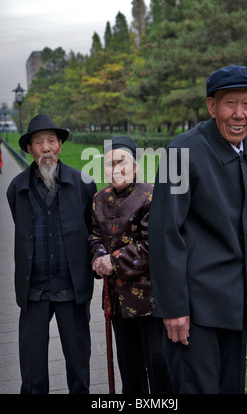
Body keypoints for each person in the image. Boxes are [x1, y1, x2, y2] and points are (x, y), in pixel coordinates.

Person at [148, 64, 247, 394]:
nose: (239, 114)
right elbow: (164, 232)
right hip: (195, 308)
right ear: (212, 106)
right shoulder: (183, 152)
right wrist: (174, 308)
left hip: (236, 302)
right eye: (229, 103)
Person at [6, 114, 96, 394]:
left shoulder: (83, 184)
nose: (46, 147)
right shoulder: (16, 189)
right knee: (32, 372)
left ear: (59, 146)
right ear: (30, 149)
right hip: (34, 289)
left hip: (72, 288)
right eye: (38, 142)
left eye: (51, 141)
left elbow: (93, 230)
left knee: (79, 366)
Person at [89, 136, 172, 394]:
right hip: (117, 300)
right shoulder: (99, 199)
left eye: (121, 162)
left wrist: (112, 261)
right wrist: (98, 257)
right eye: (108, 163)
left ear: (135, 166)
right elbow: (93, 235)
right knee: (129, 367)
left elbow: (153, 246)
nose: (115, 169)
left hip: (150, 299)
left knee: (158, 365)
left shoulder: (152, 195)